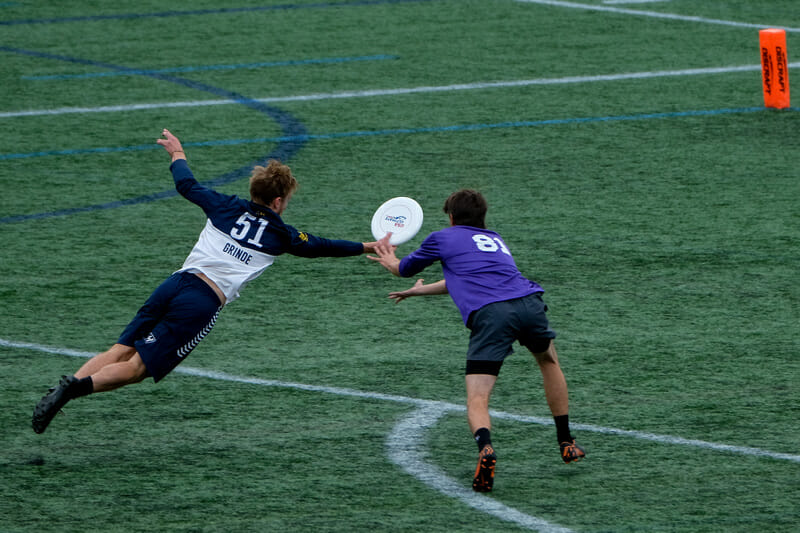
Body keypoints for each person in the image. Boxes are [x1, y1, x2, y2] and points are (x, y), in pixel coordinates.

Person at [32, 128, 392, 434]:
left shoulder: (224, 205)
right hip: (201, 303)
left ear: (254, 190)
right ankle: (74, 389)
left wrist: (178, 153)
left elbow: (187, 185)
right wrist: (365, 246)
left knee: (119, 350)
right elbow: (320, 246)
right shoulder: (281, 234)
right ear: (279, 201)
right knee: (137, 369)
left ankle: (64, 390)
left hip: (175, 283)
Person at [368, 189, 585, 492]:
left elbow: (402, 270)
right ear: (482, 218)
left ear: (451, 218)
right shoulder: (495, 240)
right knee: (549, 361)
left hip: (493, 315)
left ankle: (485, 448)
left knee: (478, 397)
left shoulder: (442, 237)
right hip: (529, 303)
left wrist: (390, 257)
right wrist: (421, 291)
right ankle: (566, 441)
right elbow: (468, 277)